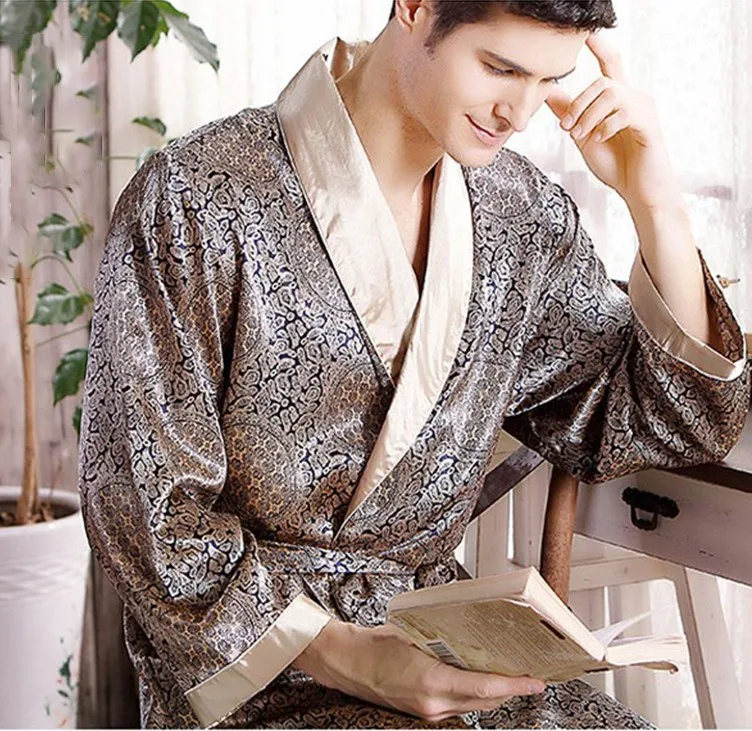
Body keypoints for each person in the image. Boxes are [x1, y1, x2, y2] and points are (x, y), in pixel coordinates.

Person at [77, 0, 749, 728]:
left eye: (549, 80)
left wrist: (656, 204)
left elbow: (667, 420)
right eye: (500, 68)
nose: (519, 113)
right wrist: (358, 659)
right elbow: (145, 509)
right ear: (415, 6)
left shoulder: (521, 216)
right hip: (260, 670)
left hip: (446, 653)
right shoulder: (194, 198)